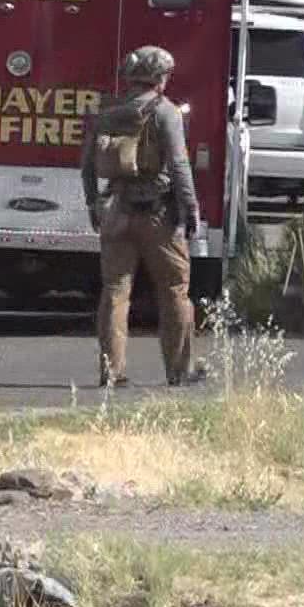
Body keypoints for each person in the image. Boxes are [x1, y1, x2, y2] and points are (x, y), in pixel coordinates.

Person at [82, 45, 201, 387]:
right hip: (158, 216)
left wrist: (93, 204)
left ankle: (112, 372)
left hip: (116, 213)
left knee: (115, 291)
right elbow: (179, 165)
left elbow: (87, 167)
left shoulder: (107, 112)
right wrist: (190, 208)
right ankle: (180, 370)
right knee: (175, 289)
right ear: (158, 78)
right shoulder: (166, 113)